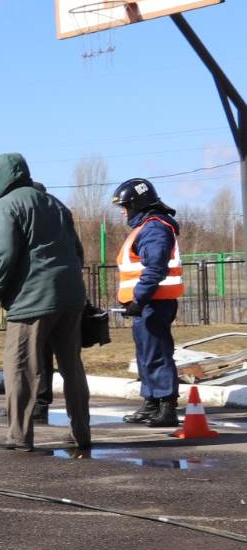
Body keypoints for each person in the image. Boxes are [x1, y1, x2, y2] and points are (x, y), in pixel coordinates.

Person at [0, 153, 90, 453]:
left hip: (32, 299)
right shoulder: (55, 204)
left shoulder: (5, 207)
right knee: (72, 368)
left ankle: (19, 436)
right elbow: (77, 252)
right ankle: (81, 432)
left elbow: (1, 255)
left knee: (20, 367)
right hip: (71, 297)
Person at [112, 178, 184, 428]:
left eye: (125, 206)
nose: (122, 211)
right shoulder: (146, 227)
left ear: (137, 204)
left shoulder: (154, 228)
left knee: (157, 354)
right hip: (147, 303)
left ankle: (167, 406)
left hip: (154, 302)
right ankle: (151, 402)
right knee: (146, 353)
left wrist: (139, 299)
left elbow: (155, 268)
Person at [29, 182, 84, 424]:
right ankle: (80, 420)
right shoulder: (62, 214)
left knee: (38, 354)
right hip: (69, 295)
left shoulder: (29, 218)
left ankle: (39, 404)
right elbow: (78, 253)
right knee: (70, 360)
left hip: (39, 296)